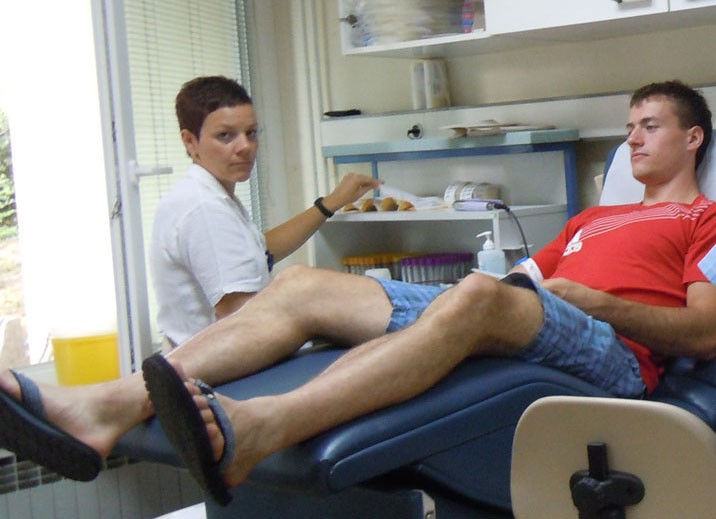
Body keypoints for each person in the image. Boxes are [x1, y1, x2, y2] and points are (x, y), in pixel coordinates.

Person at [1, 80, 716, 504]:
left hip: (614, 354)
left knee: (476, 295)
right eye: (627, 128)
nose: (631, 141)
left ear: (693, 139)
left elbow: (705, 333)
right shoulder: (591, 219)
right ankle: (106, 407)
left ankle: (263, 427)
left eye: (649, 127)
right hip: (540, 315)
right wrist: (457, 307)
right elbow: (519, 285)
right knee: (304, 286)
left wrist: (595, 303)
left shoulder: (705, 217)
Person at [151, 76, 381, 345]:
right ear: (190, 141)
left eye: (251, 133)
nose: (245, 147)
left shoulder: (206, 193)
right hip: (222, 362)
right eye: (225, 136)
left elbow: (261, 251)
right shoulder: (204, 208)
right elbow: (242, 318)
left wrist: (330, 203)